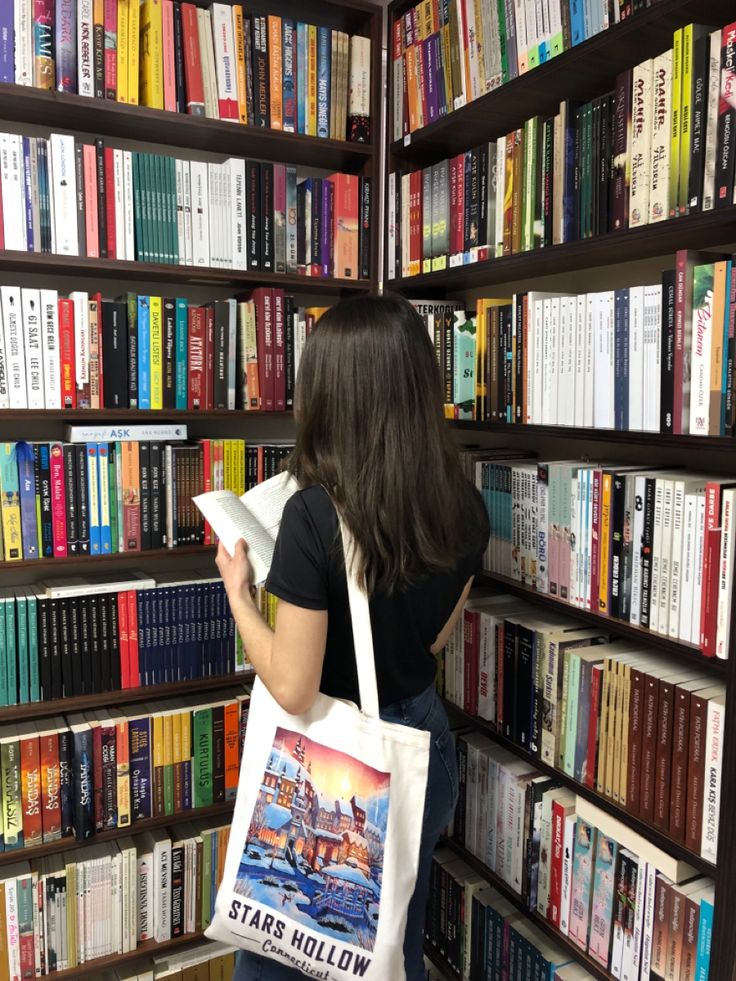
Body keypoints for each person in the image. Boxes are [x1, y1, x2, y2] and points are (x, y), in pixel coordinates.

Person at [216, 294, 490, 981]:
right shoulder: (467, 506)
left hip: (338, 757)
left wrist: (239, 595)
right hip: (420, 745)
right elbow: (433, 642)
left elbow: (292, 683)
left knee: (284, 948)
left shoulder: (313, 516)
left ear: (333, 393)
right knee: (389, 946)